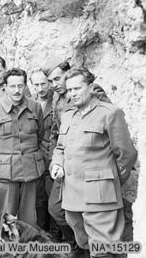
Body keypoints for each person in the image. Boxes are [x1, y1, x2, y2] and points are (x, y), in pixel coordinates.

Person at [51, 67, 137, 258]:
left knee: (103, 248)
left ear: (90, 87)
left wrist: (110, 181)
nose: (73, 94)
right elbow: (60, 147)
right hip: (72, 194)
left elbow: (127, 154)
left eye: (77, 88)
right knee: (85, 243)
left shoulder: (109, 113)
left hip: (99, 196)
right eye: (69, 89)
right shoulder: (67, 114)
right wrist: (57, 164)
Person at [0, 68, 45, 227]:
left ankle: (27, 249)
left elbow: (40, 135)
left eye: (20, 86)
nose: (16, 91)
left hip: (30, 170)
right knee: (7, 216)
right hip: (6, 172)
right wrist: (4, 156)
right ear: (5, 87)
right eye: (12, 86)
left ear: (25, 86)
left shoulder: (35, 107)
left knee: (29, 217)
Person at [29, 68, 53, 232]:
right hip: (36, 159)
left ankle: (57, 235)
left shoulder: (58, 102)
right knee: (39, 200)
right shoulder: (29, 104)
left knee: (54, 199)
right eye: (36, 84)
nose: (40, 88)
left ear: (49, 83)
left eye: (43, 84)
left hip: (53, 157)